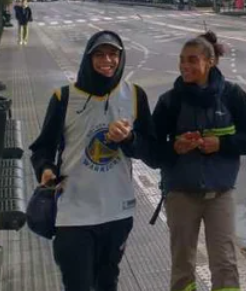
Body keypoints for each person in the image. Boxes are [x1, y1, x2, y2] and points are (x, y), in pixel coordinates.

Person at [28, 31, 153, 291]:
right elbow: (43, 148)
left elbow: (150, 152)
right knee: (78, 284)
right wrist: (46, 170)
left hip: (117, 211)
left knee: (107, 282)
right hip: (73, 212)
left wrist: (129, 140)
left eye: (113, 54)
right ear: (88, 57)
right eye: (99, 54)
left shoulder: (134, 96)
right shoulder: (63, 97)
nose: (107, 60)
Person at [144, 32, 246, 291]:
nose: (184, 66)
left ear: (210, 62)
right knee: (182, 264)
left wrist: (221, 144)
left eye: (192, 60)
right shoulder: (170, 101)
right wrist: (174, 147)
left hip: (221, 193)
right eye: (181, 60)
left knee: (225, 263)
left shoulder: (233, 95)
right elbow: (152, 152)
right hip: (180, 193)